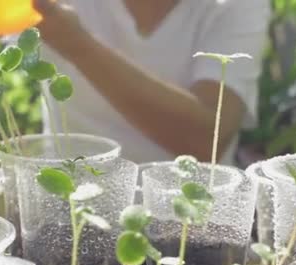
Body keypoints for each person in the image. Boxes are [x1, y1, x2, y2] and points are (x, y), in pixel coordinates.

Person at [33, 0, 271, 164]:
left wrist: (78, 45)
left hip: (192, 223)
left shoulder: (235, 6)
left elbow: (208, 138)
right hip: (66, 215)